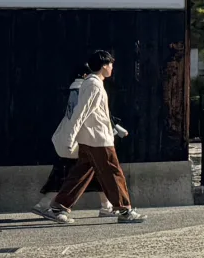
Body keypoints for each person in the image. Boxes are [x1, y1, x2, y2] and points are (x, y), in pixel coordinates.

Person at [36, 50, 144, 224]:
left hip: (91, 138)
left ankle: (58, 207)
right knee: (113, 173)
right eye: (110, 65)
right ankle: (124, 210)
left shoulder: (91, 83)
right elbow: (82, 112)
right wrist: (71, 136)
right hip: (98, 138)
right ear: (103, 66)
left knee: (81, 173)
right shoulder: (93, 85)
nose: (111, 68)